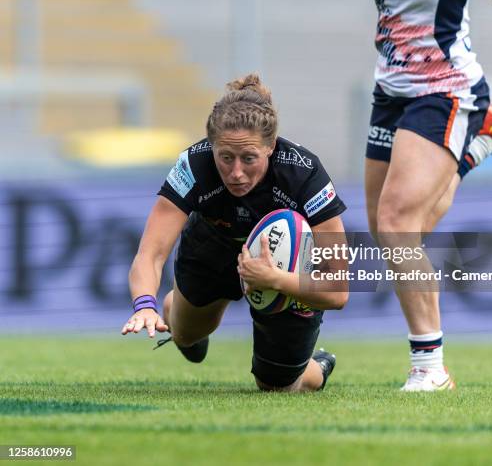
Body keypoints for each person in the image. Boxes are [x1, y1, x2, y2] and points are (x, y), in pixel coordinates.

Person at [198, 0, 492, 391]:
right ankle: (482, 142)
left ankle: (429, 368)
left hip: (445, 91)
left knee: (400, 223)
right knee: (395, 229)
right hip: (392, 94)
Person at [121, 74, 349, 392]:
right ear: (211, 146)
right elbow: (151, 254)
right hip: (213, 247)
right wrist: (145, 304)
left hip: (284, 268)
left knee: (278, 386)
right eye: (225, 157)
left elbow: (338, 290)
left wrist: (275, 279)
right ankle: (177, 309)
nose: (236, 172)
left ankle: (316, 366)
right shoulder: (194, 164)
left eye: (249, 158)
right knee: (186, 337)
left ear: (270, 146)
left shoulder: (305, 174)